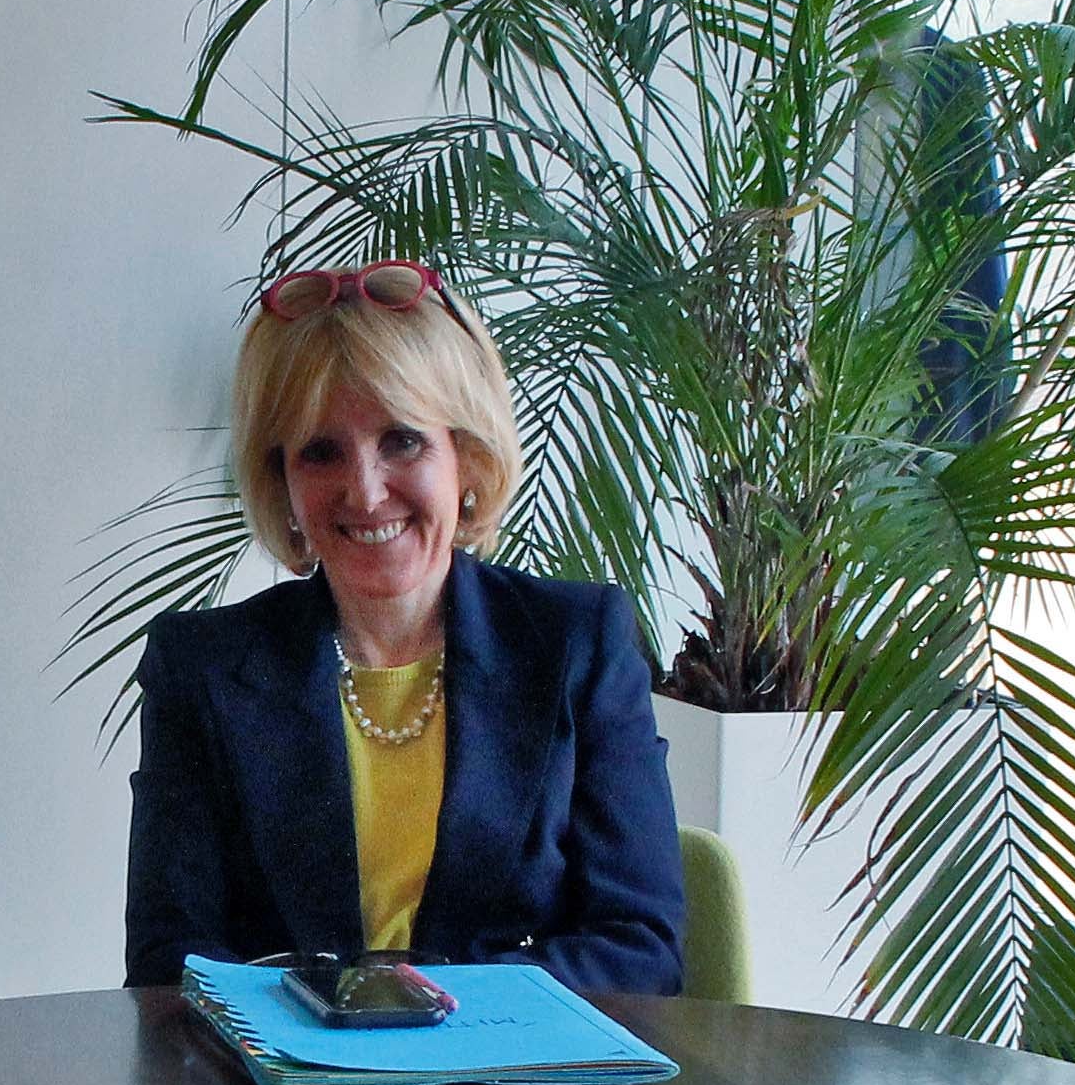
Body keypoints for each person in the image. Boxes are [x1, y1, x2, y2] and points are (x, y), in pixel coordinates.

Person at [122, 261, 687, 999]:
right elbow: (170, 963)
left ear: (468, 457)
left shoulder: (580, 644)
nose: (364, 489)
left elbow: (641, 951)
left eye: (402, 441)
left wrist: (418, 1016)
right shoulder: (199, 668)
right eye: (320, 451)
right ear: (282, 481)